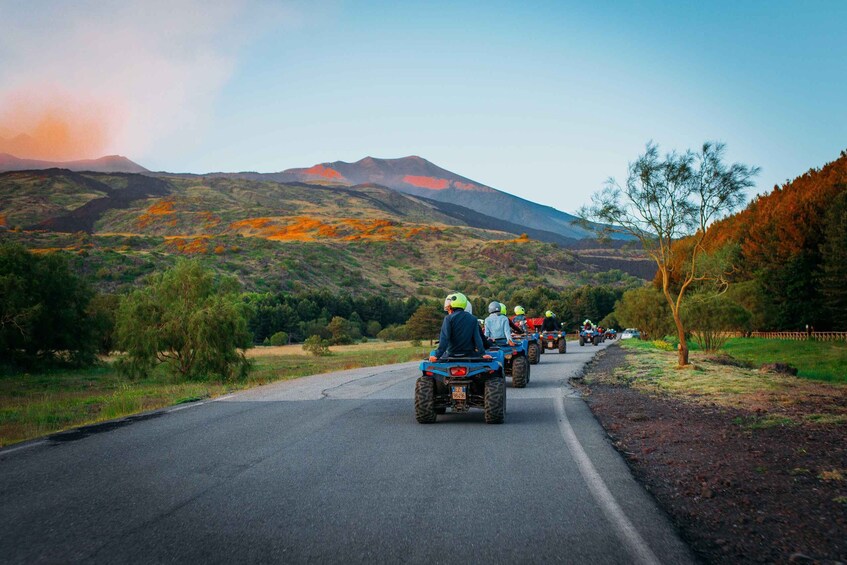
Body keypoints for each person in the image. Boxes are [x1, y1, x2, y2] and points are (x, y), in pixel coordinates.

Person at [429, 292, 490, 362]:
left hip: (451, 354)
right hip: (469, 354)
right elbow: (477, 339)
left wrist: (437, 356)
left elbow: (445, 338)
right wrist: (483, 353)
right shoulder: (473, 319)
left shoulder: (448, 318)